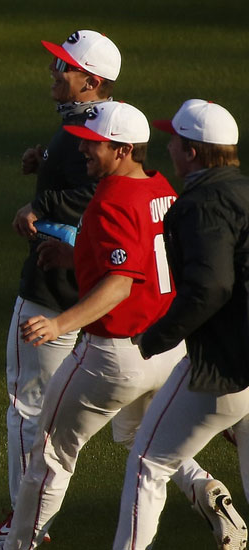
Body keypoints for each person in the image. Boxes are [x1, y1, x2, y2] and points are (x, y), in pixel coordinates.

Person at [1, 101, 221, 549]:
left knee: (50, 452)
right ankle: (205, 489)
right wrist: (73, 257)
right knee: (147, 445)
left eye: (92, 145)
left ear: (122, 150)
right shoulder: (162, 189)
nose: (82, 152)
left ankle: (18, 544)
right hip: (166, 348)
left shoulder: (111, 201)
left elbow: (120, 283)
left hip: (115, 353)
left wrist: (58, 323)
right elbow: (142, 259)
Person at [0, 29, 117, 541]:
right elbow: (100, 174)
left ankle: (23, 523)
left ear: (92, 81)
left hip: (53, 286)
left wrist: (41, 205)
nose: (54, 72)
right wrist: (45, 165)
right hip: (99, 287)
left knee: (28, 406)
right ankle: (200, 487)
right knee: (139, 421)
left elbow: (100, 192)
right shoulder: (101, 125)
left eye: (64, 66)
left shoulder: (82, 130)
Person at [113, 100, 248, 550]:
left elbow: (210, 288)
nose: (167, 145)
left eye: (174, 139)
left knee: (149, 461)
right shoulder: (244, 191)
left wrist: (156, 337)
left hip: (225, 366)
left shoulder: (201, 204)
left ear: (191, 152)